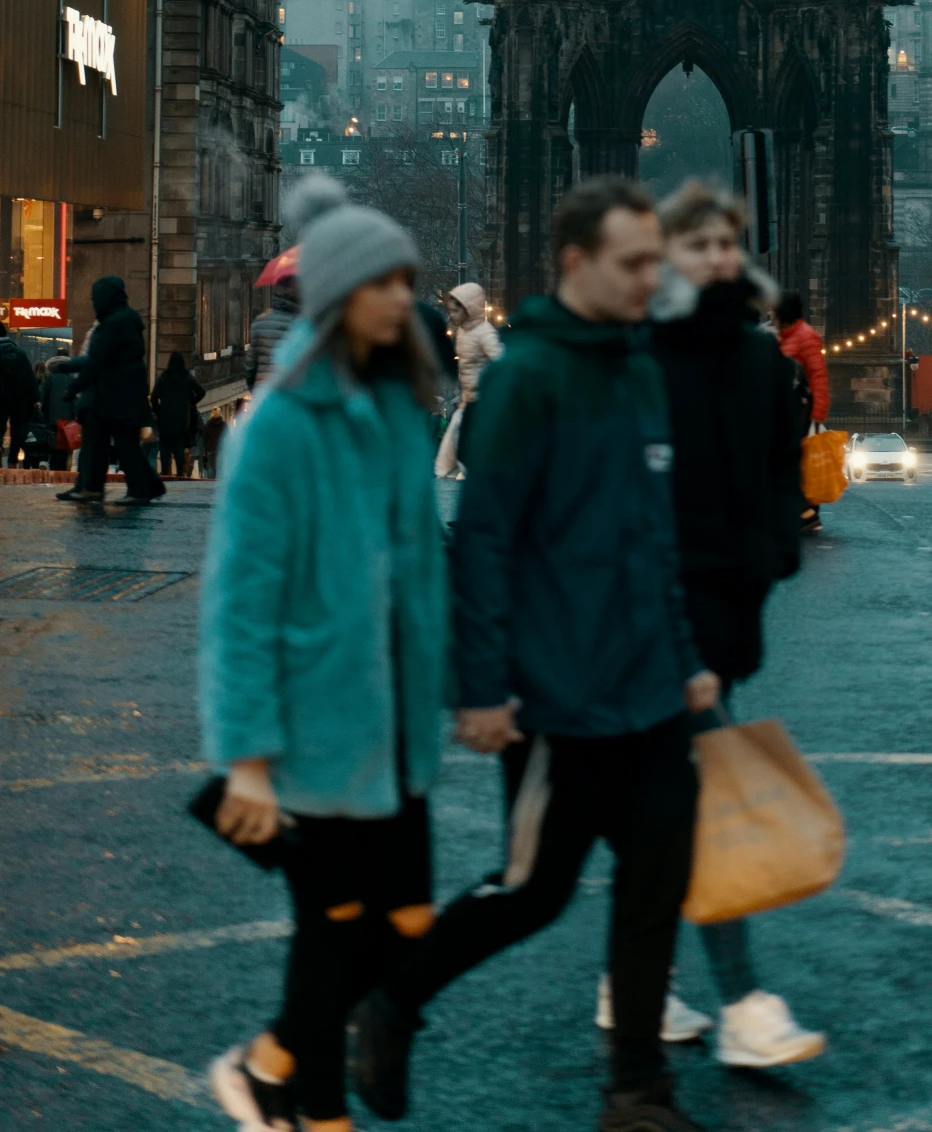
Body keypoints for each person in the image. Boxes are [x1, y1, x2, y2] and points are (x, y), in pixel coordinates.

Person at [348, 177, 719, 1132]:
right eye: (633, 262)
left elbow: (655, 534)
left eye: (656, 260)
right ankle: (393, 1001)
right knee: (531, 892)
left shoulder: (642, 369)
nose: (653, 278)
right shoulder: (527, 377)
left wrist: (688, 656)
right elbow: (484, 543)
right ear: (576, 263)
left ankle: (637, 1091)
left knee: (654, 884)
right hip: (560, 698)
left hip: (648, 690)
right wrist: (483, 690)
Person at [199, 174, 447, 1132]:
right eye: (385, 282)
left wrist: (467, 691)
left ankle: (276, 1074)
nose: (405, 297)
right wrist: (247, 760)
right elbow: (238, 607)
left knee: (402, 927)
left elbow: (423, 570)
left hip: (392, 719)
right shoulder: (277, 427)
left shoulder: (396, 404)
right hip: (314, 723)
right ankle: (300, 1098)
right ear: (343, 294)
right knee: (338, 928)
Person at [628, 181, 822, 1070]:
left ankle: (632, 979)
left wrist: (774, 551)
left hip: (726, 605)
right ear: (665, 254)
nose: (711, 257)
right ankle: (743, 1003)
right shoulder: (635, 355)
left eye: (723, 243)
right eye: (693, 243)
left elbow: (782, 467)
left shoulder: (755, 355)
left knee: (657, 812)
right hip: (655, 617)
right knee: (700, 805)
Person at [58, 278, 164, 504]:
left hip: (114, 395)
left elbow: (97, 360)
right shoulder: (124, 319)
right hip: (122, 393)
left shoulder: (113, 323)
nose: (94, 302)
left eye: (95, 297)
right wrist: (72, 366)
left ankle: (124, 489)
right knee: (121, 444)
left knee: (110, 444)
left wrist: (74, 385)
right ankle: (145, 486)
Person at [435, 281, 503, 477]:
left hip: (481, 397)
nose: (453, 315)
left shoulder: (484, 332)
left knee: (465, 433)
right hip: (469, 396)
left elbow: (499, 358)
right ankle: (449, 468)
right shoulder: (464, 332)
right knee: (457, 433)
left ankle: (466, 470)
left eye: (457, 311)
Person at [776, 289, 829, 530]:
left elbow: (818, 376)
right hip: (787, 411)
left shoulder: (806, 336)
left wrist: (818, 415)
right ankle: (802, 512)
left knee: (799, 463)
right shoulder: (783, 336)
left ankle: (807, 512)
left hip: (801, 413)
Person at [151, 350, 204, 479]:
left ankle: (164, 471)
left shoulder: (164, 377)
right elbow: (201, 392)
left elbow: (153, 397)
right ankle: (180, 472)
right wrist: (191, 403)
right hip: (182, 417)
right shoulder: (188, 378)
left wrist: (158, 411)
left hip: (165, 417)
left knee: (165, 445)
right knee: (179, 445)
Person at [245, 275, 300, 392]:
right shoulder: (303, 324)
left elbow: (250, 366)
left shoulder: (260, 322)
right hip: (292, 391)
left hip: (264, 390)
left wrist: (254, 391)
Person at [0, 324, 39, 465]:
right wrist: (35, 398)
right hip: (18, 398)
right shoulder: (19, 352)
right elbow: (30, 377)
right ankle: (12, 461)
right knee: (17, 429)